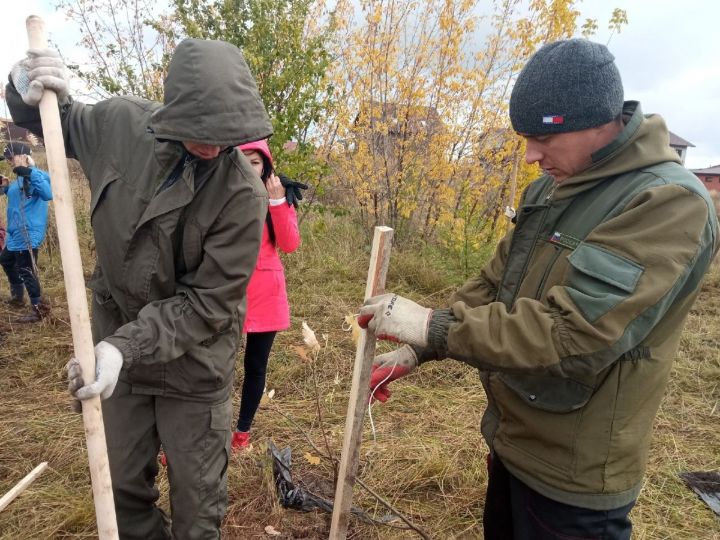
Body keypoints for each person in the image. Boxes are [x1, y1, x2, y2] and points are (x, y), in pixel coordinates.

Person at [357, 39, 719, 539]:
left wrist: (433, 326)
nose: (530, 156)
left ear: (597, 120)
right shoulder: (554, 187)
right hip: (515, 438)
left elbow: (573, 335)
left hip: (575, 470)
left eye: (543, 139)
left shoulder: (666, 201)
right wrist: (422, 348)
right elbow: (495, 284)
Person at [6, 38, 272, 539]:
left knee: (198, 507)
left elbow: (208, 302)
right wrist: (26, 90)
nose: (214, 147)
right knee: (123, 489)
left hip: (195, 368)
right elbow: (53, 121)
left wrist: (121, 348)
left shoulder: (242, 193)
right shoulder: (120, 126)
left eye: (227, 136)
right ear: (175, 110)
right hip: (117, 359)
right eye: (203, 133)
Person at [231, 139, 301, 451]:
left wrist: (277, 203)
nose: (248, 166)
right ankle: (199, 434)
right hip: (226, 292)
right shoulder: (220, 192)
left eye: (255, 161)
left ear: (266, 167)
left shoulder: (279, 196)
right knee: (213, 366)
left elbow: (289, 244)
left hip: (265, 293)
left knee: (255, 366)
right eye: (241, 158)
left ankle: (241, 433)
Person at [0, 141, 52, 323]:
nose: (8, 161)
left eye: (10, 157)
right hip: (15, 232)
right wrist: (5, 187)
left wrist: (28, 172)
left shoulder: (38, 175)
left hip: (28, 231)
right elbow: (17, 196)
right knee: (5, 259)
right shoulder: (18, 179)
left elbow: (47, 194)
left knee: (26, 269)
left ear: (23, 156)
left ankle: (38, 310)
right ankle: (17, 295)